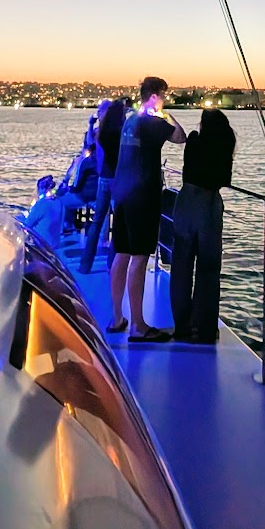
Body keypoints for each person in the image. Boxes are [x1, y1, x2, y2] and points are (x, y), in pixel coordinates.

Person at [108, 77, 185, 342]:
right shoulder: (154, 122)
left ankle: (117, 317)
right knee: (139, 257)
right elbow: (181, 137)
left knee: (122, 253)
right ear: (154, 96)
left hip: (122, 194)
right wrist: (167, 115)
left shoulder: (129, 120)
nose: (165, 98)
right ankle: (138, 326)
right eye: (163, 94)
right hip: (142, 196)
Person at [170, 107, 235, 343]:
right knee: (208, 268)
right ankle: (204, 328)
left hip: (185, 201)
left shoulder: (195, 141)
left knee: (181, 265)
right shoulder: (225, 143)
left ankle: (181, 325)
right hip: (208, 204)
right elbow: (224, 180)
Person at [81, 95, 129, 272]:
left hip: (103, 178)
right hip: (118, 179)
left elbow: (89, 146)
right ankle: (112, 266)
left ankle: (85, 265)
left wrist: (91, 124)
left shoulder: (102, 133)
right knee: (118, 225)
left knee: (97, 222)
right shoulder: (123, 133)